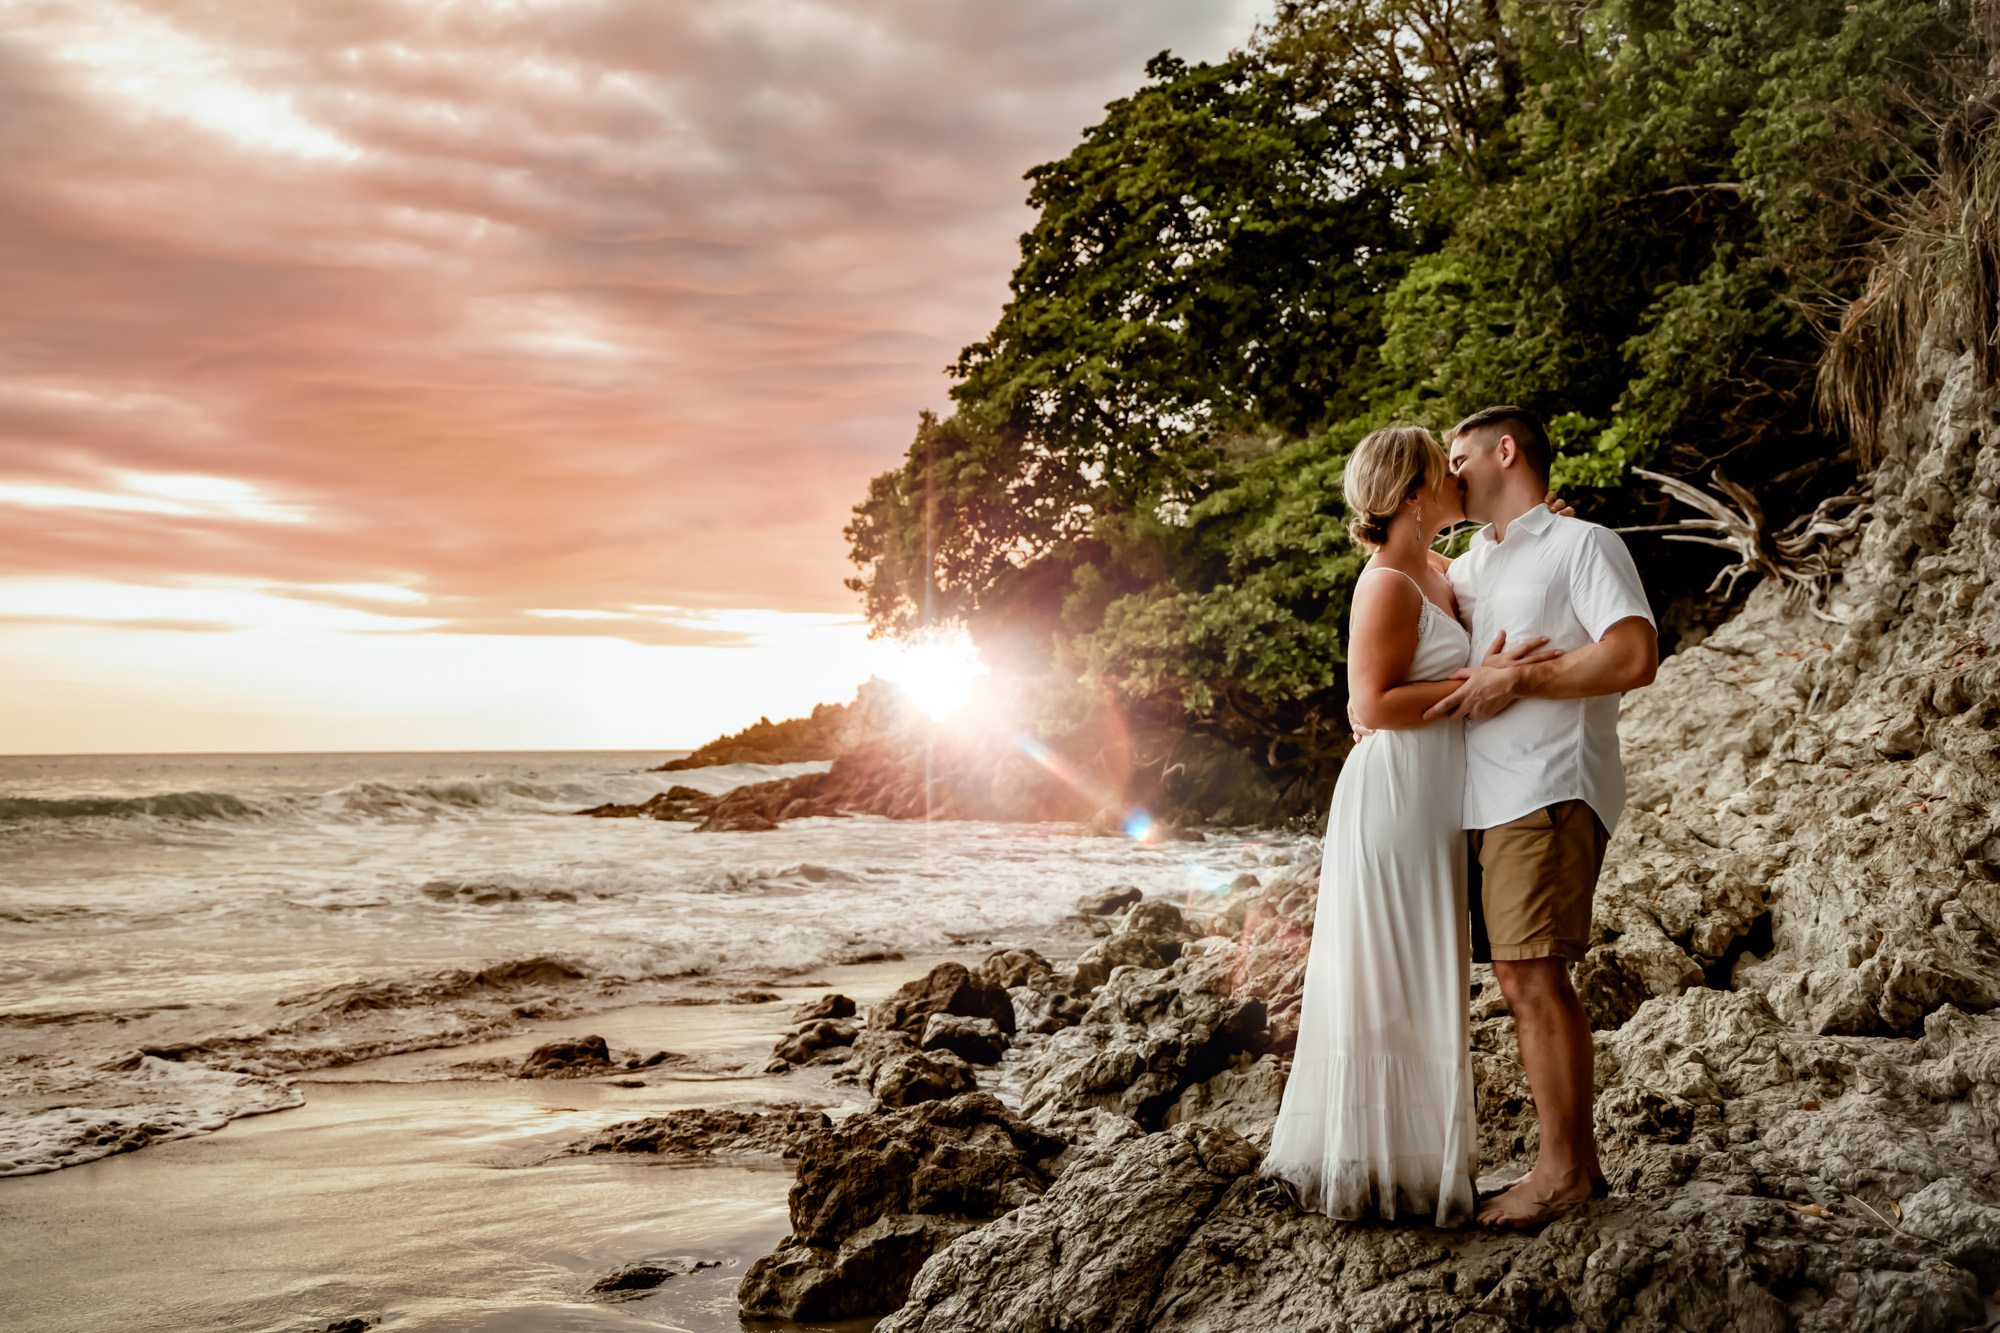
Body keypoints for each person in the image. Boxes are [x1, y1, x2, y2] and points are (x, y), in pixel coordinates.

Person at [1257, 426, 1560, 1226]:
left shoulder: (1435, 570)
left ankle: (1417, 1157)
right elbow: (1370, 706)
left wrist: (1540, 518)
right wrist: (1472, 681)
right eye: (1445, 473)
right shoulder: (1386, 581)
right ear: (1416, 491)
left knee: (1426, 972)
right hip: (1394, 794)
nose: (1461, 482)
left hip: (1437, 796)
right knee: (1388, 973)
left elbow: (1502, 571)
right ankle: (1377, 1163)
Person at [1424, 405, 1658, 1228]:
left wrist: (1517, 683)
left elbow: (1633, 656)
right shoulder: (1469, 565)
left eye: (1458, 456)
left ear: (1505, 450)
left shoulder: (1582, 544)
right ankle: (1569, 1166)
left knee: (1535, 976)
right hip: (1481, 795)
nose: (1449, 473)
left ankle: (1565, 1173)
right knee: (1517, 977)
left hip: (1549, 788)